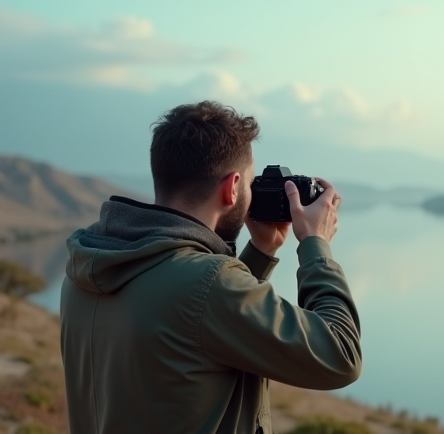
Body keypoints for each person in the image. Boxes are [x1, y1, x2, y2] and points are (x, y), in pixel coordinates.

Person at [60, 101, 362, 434]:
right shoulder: (207, 284)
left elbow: (191, 329)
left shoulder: (87, 265)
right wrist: (315, 245)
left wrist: (261, 251)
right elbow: (340, 356)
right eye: (249, 184)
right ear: (232, 187)